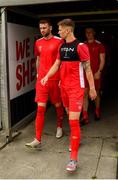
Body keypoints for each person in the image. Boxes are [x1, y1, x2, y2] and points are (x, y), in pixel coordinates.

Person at [41, 19, 97, 172]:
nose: (58, 32)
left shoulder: (81, 47)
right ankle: (76, 139)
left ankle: (73, 159)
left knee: (73, 122)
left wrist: (92, 88)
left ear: (68, 30)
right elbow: (57, 64)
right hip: (63, 88)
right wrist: (46, 76)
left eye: (60, 29)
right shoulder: (62, 46)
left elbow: (88, 69)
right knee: (70, 118)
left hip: (76, 89)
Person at [25, 19, 64, 149]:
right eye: (41, 28)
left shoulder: (59, 41)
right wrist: (37, 74)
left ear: (51, 28)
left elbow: (62, 62)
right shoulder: (38, 42)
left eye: (45, 27)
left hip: (55, 79)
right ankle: (37, 139)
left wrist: (62, 79)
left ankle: (59, 126)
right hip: (42, 81)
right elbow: (38, 59)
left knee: (58, 104)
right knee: (40, 109)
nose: (42, 30)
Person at [81, 27, 105, 125]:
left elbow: (102, 60)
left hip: (95, 73)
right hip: (85, 74)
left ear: (94, 33)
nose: (89, 34)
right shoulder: (82, 45)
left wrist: (99, 71)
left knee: (96, 93)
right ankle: (85, 116)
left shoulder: (99, 45)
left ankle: (97, 111)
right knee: (84, 94)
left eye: (90, 32)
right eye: (87, 32)